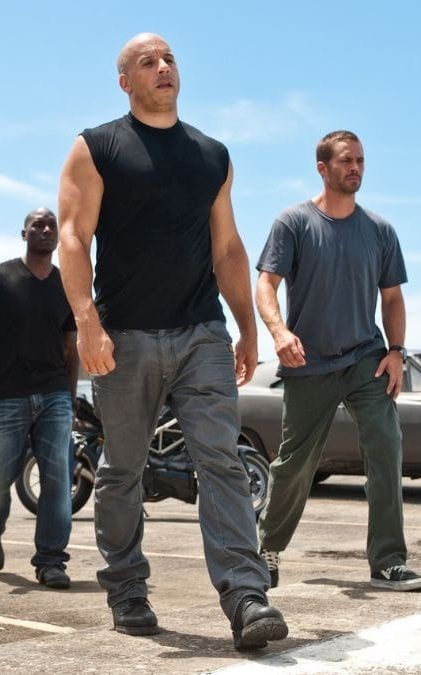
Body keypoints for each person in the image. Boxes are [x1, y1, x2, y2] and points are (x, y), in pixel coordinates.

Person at [57, 32, 287, 650]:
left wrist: (246, 326)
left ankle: (246, 596)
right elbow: (73, 237)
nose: (163, 67)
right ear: (125, 81)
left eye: (169, 59)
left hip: (200, 333)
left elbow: (227, 248)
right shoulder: (97, 146)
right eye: (147, 62)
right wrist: (87, 322)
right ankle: (127, 587)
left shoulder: (212, 155)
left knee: (222, 461)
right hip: (123, 338)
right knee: (122, 471)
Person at [255, 130, 421, 592]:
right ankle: (266, 548)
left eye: (361, 161)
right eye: (347, 161)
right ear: (323, 168)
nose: (355, 168)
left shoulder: (379, 231)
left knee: (386, 446)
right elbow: (266, 284)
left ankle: (388, 561)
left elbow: (392, 298)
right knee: (295, 462)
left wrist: (397, 351)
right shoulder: (294, 222)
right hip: (308, 362)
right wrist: (279, 331)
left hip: (366, 359)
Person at [0, 207, 79, 589]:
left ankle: (51, 560)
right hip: (7, 394)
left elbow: (71, 347)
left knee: (58, 476)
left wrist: (70, 398)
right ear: (23, 234)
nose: (45, 230)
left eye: (51, 225)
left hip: (54, 393)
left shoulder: (67, 284)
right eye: (36, 225)